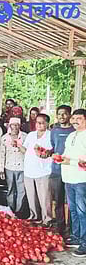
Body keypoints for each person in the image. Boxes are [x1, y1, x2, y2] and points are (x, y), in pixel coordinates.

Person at [59, 109, 86, 257]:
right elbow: (66, 154)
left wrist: (72, 162)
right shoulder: (71, 135)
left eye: (79, 118)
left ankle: (85, 243)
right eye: (74, 118)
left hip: (82, 179)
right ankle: (76, 237)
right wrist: (57, 157)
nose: (75, 121)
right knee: (73, 210)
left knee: (83, 212)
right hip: (68, 178)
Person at [19, 113, 53, 227]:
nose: (39, 125)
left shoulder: (50, 135)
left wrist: (46, 152)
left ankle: (47, 219)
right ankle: (34, 216)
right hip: (29, 170)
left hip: (43, 171)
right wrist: (18, 146)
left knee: (44, 197)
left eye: (42, 122)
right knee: (31, 196)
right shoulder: (31, 135)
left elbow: (52, 151)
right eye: (37, 122)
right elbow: (25, 150)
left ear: (47, 123)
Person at [50, 105, 74, 234]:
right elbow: (53, 147)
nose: (62, 116)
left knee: (70, 201)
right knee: (58, 199)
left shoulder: (74, 130)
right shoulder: (54, 130)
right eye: (59, 114)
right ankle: (59, 226)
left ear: (69, 115)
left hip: (71, 170)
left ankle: (70, 227)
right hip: (56, 170)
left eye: (65, 114)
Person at [0, 117, 27, 216]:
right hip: (9, 167)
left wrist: (19, 146)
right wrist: (1, 169)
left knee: (21, 190)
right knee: (10, 189)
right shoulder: (5, 138)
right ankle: (10, 210)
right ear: (9, 126)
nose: (14, 127)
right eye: (13, 125)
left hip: (22, 167)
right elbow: (2, 154)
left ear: (20, 126)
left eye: (17, 125)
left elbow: (28, 152)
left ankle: (19, 211)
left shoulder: (25, 136)